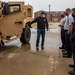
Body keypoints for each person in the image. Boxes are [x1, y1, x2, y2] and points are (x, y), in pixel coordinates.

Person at [69, 8, 75, 74]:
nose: (72, 13)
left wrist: (72, 37)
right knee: (74, 54)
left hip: (74, 39)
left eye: (72, 12)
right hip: (73, 38)